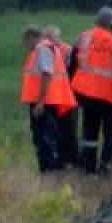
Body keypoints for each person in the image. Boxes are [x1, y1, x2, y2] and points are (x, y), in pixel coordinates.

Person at [70, 6, 112, 175]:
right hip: (110, 98)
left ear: (96, 21)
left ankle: (87, 167)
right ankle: (106, 168)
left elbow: (72, 64)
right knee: (110, 134)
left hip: (87, 94)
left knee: (89, 132)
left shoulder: (83, 37)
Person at [20, 26, 77, 173]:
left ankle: (49, 171)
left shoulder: (42, 49)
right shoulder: (49, 48)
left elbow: (47, 74)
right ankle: (54, 168)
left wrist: (40, 102)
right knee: (50, 136)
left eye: (25, 42)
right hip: (50, 100)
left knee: (44, 138)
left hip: (45, 102)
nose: (25, 46)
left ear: (31, 38)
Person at [43, 25, 80, 168]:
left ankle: (73, 161)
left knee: (69, 130)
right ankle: (60, 161)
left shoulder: (67, 51)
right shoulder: (45, 51)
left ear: (58, 38)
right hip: (54, 98)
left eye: (51, 38)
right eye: (46, 38)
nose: (48, 41)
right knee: (55, 131)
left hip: (68, 97)